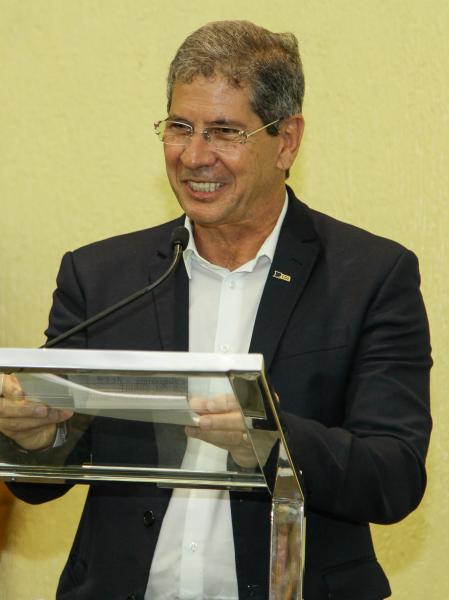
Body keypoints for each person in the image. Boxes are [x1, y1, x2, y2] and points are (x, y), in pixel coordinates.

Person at [0, 20, 431, 600]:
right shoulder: (100, 275)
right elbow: (42, 478)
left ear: (287, 141)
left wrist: (273, 440)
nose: (194, 156)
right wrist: (33, 438)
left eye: (225, 132)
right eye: (180, 127)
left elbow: (394, 476)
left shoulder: (370, 275)